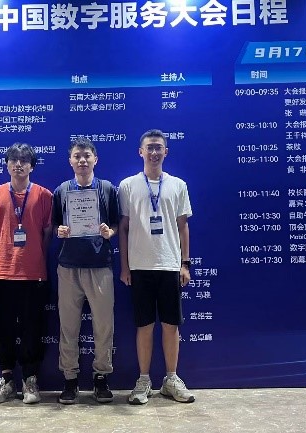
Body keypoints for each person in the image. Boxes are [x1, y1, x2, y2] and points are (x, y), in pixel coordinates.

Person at [118, 129, 195, 405]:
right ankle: (143, 380)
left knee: (171, 325)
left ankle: (171, 378)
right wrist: (125, 266)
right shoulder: (127, 186)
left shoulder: (178, 185)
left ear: (166, 152)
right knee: (145, 325)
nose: (153, 152)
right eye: (149, 147)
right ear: (140, 152)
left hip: (169, 265)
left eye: (158, 147)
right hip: (140, 266)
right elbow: (123, 228)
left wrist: (184, 263)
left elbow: (183, 227)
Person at [0, 142, 53, 404]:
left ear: (32, 166)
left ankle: (30, 380)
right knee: (1, 328)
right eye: (13, 160)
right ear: (7, 164)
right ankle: (6, 380)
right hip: (1, 272)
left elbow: (47, 234)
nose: (18, 164)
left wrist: (32, 256)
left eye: (24, 160)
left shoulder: (44, 195)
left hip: (33, 273)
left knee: (33, 328)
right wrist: (7, 253)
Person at [52, 137, 119, 404]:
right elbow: (55, 224)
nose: (82, 160)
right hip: (69, 267)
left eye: (87, 156)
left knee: (104, 325)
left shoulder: (107, 189)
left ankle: (101, 378)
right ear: (70, 161)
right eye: (77, 156)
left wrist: (110, 232)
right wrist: (59, 230)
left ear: (95, 159)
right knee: (68, 327)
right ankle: (70, 380)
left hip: (100, 266)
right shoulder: (62, 190)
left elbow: (116, 222)